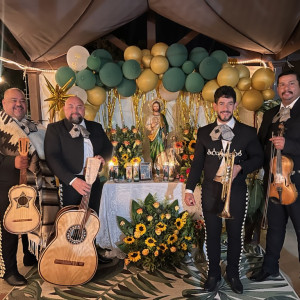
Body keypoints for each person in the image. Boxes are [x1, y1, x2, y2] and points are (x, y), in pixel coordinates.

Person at [184, 86, 263, 294]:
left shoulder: (247, 132)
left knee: (236, 235)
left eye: (229, 104)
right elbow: (197, 163)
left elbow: (258, 158)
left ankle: (233, 273)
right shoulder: (203, 132)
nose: (225, 108)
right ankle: (213, 274)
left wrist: (241, 167)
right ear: (215, 106)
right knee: (212, 235)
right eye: (221, 103)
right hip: (211, 191)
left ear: (235, 105)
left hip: (236, 191)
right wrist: (189, 189)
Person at [0, 88, 58, 286]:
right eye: (13, 100)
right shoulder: (0, 125)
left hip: (36, 184)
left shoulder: (36, 127)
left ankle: (28, 254)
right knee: (11, 227)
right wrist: (11, 162)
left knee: (32, 219)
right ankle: (9, 271)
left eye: (22, 100)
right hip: (7, 185)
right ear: (4, 103)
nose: (19, 104)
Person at [44, 96, 113, 263]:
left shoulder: (95, 127)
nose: (75, 110)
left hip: (94, 181)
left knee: (92, 218)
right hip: (71, 183)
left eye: (79, 106)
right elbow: (52, 157)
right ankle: (70, 255)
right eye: (71, 106)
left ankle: (91, 252)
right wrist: (73, 181)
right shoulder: (55, 129)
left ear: (84, 109)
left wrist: (103, 157)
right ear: (64, 109)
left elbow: (108, 147)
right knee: (70, 221)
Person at [250, 70, 300, 282]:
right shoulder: (271, 114)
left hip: (298, 183)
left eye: (291, 84)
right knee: (275, 227)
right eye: (281, 84)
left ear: (298, 86)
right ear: (276, 88)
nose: (286, 88)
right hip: (274, 183)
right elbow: (260, 145)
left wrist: (288, 145)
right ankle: (270, 267)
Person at [145, 99, 169, 169]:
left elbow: (166, 125)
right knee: (154, 151)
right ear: (152, 107)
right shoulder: (150, 116)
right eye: (154, 106)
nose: (156, 108)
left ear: (159, 107)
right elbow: (147, 125)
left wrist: (165, 131)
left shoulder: (162, 116)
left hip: (161, 136)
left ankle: (162, 167)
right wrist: (152, 126)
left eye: (157, 106)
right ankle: (155, 167)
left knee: (162, 151)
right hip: (153, 136)